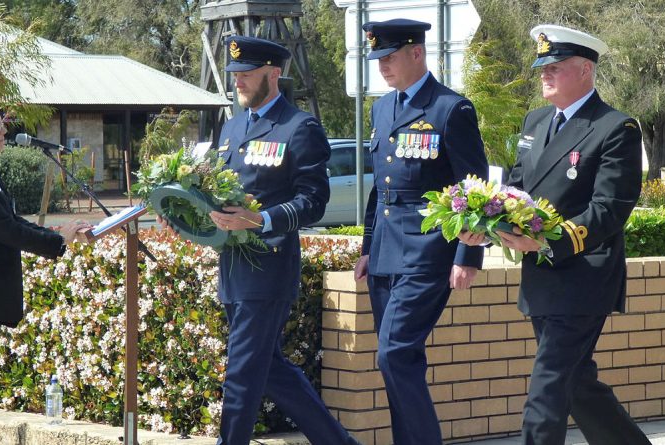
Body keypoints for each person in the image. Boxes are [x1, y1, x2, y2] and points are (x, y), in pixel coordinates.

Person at [157, 36, 359, 445]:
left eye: (247, 75)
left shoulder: (299, 127)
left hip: (269, 266)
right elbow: (212, 190)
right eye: (235, 76)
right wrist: (180, 211)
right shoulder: (231, 126)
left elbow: (314, 200)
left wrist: (261, 219)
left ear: (274, 73)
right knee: (270, 371)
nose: (239, 83)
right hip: (232, 268)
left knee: (243, 372)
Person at [461, 25, 651, 445]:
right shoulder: (535, 121)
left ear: (585, 70)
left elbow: (609, 209)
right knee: (578, 388)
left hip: (583, 274)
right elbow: (515, 193)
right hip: (542, 277)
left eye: (556, 67)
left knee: (547, 390)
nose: (544, 74)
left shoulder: (615, 128)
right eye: (542, 67)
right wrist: (485, 229)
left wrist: (550, 241)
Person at [352, 19, 489, 445]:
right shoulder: (381, 108)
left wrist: (469, 256)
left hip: (430, 253)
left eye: (389, 57)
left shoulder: (450, 109)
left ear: (416, 53)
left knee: (393, 353)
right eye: (377, 59)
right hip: (386, 256)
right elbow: (382, 188)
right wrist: (367, 247)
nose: (382, 67)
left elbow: (476, 189)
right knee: (401, 362)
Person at [0, 96, 90, 445]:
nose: (3, 130)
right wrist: (58, 242)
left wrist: (59, 235)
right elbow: (7, 232)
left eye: (2, 123)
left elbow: (9, 222)